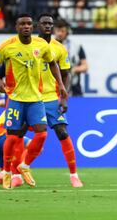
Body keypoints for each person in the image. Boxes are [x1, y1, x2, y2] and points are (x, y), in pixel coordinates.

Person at [0, 13, 68, 189]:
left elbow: (53, 64)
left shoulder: (41, 45)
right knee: (13, 136)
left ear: (32, 27)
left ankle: (24, 165)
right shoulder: (7, 46)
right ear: (17, 27)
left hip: (36, 99)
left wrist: (61, 85)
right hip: (16, 99)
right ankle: (8, 171)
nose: (26, 27)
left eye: (29, 24)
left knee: (42, 134)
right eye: (22, 24)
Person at [29, 13, 83, 187]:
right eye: (44, 23)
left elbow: (67, 74)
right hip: (30, 97)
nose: (47, 26)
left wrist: (64, 97)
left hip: (52, 97)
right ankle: (15, 171)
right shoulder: (29, 45)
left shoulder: (59, 48)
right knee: (18, 133)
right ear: (38, 26)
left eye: (50, 24)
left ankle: (74, 175)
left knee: (62, 132)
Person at [54, 19, 88, 96]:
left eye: (62, 31)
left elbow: (85, 66)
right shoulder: (49, 46)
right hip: (54, 86)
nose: (59, 34)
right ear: (54, 31)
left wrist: (74, 69)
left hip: (74, 85)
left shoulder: (76, 46)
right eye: (58, 31)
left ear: (67, 32)